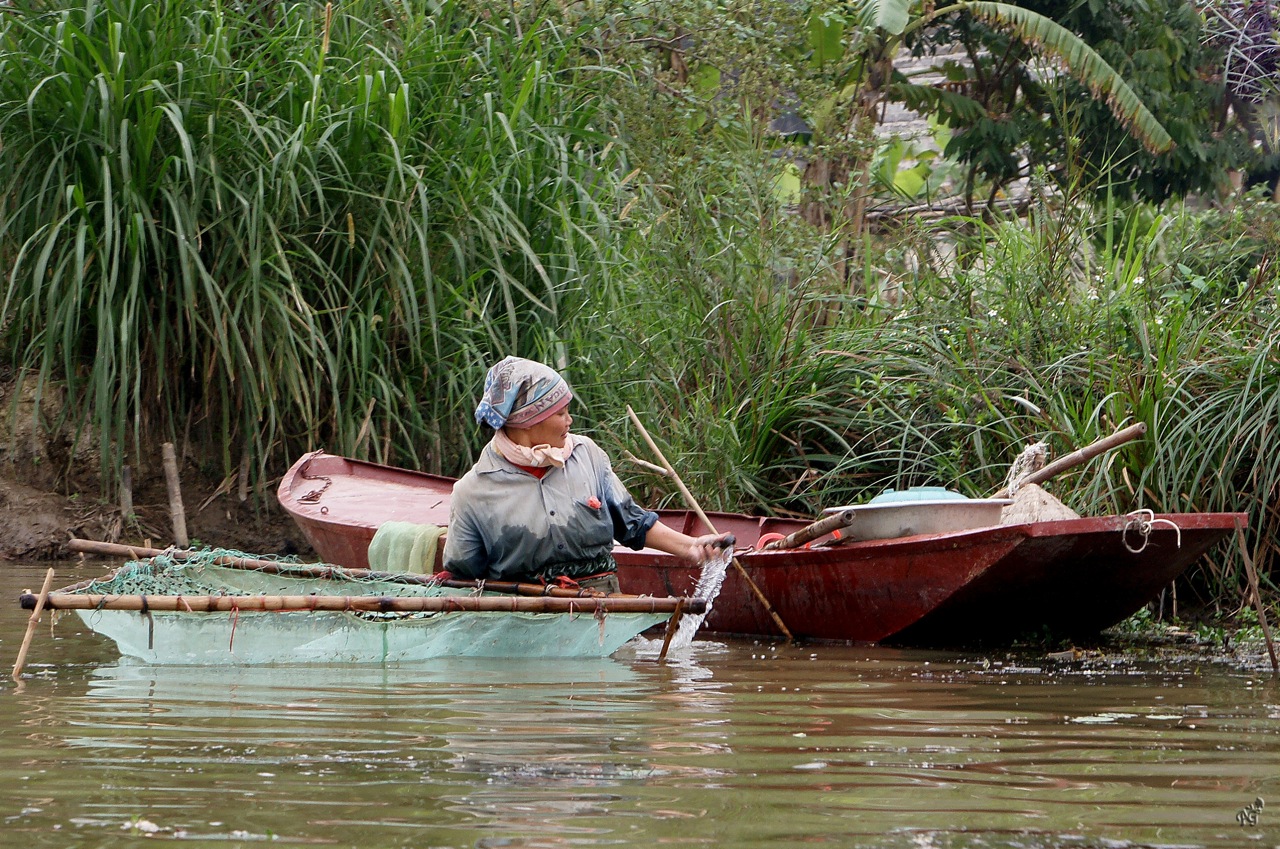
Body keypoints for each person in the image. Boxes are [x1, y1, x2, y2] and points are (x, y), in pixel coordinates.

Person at [441, 356, 730, 593]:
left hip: (602, 608)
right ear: (527, 421)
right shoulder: (473, 491)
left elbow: (631, 522)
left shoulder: (587, 455)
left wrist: (691, 547)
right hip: (521, 617)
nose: (570, 420)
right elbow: (465, 578)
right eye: (560, 413)